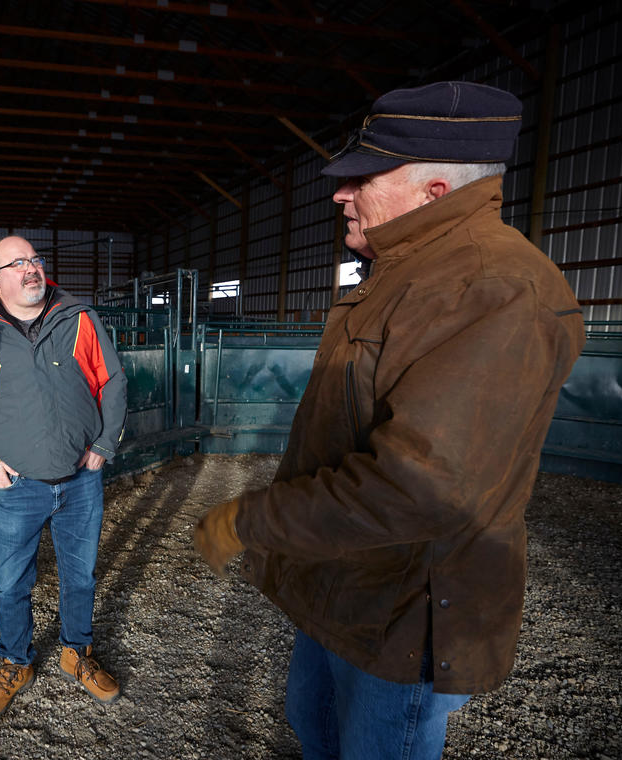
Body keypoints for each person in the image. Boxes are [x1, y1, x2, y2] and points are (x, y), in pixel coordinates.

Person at [194, 81, 585, 759]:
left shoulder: (490, 288)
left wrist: (250, 521)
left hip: (401, 610)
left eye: (363, 178)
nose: (342, 193)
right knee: (314, 725)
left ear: (435, 191)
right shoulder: (405, 273)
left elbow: (419, 487)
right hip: (344, 584)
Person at [0, 235, 128, 721]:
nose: (31, 269)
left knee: (80, 575)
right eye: (17, 263)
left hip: (81, 479)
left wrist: (103, 446)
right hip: (16, 486)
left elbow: (113, 381)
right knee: (10, 581)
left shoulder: (79, 317)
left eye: (36, 259)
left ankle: (75, 652)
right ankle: (15, 661)